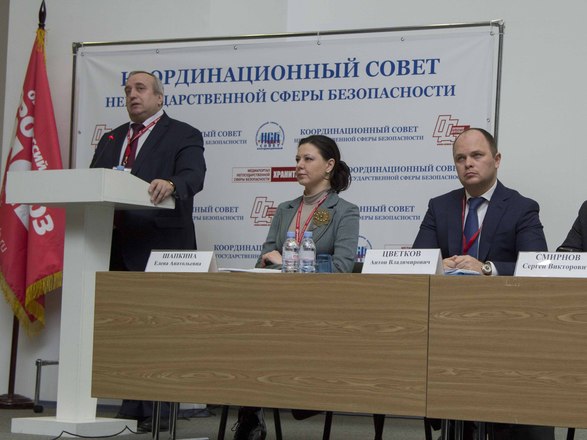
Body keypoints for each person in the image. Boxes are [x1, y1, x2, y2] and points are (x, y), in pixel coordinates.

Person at [412, 127, 553, 440]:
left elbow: (537, 266)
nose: (468, 164)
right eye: (460, 158)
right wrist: (440, 264)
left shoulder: (521, 207)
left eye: (477, 155)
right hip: (449, 326)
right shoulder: (440, 206)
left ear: (496, 159)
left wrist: (487, 268)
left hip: (505, 325)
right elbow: (419, 260)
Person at [90, 70, 206, 432]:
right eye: (127, 90)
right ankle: (131, 406)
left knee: (161, 331)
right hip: (117, 245)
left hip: (163, 246)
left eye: (140, 89)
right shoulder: (112, 137)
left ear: (159, 97)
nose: (132, 95)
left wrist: (171, 182)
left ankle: (161, 410)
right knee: (126, 330)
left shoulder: (184, 133)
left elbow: (194, 176)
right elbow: (95, 181)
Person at [233, 135, 359, 440]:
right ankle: (250, 413)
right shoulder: (285, 209)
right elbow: (263, 259)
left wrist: (286, 263)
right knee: (240, 328)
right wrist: (279, 263)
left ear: (329, 165)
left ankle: (277, 401)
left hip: (319, 310)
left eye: (308, 159)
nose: (299, 165)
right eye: (297, 159)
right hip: (275, 305)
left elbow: (341, 269)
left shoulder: (345, 211)